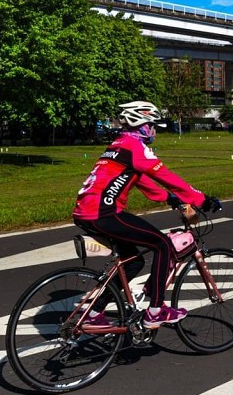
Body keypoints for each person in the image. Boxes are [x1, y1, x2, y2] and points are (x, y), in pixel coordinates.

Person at [72, 100, 221, 329]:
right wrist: (201, 199)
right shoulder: (135, 146)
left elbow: (138, 178)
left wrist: (169, 198)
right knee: (162, 244)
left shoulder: (118, 145)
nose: (154, 131)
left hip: (86, 212)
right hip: (104, 212)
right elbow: (167, 177)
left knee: (134, 262)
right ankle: (156, 310)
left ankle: (93, 312)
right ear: (140, 123)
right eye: (152, 125)